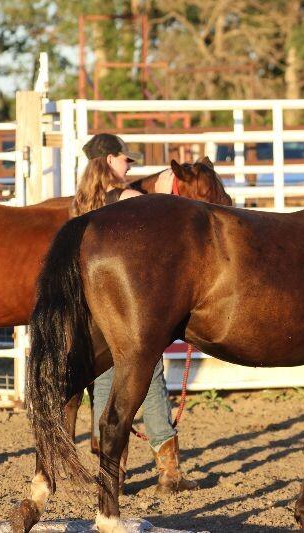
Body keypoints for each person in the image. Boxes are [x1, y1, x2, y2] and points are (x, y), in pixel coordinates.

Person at [73, 133, 197, 494]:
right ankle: (168, 470)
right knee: (150, 373)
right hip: (127, 301)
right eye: (126, 160)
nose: (129, 167)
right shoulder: (129, 199)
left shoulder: (80, 203)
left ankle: (112, 469)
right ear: (110, 160)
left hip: (93, 300)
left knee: (103, 380)